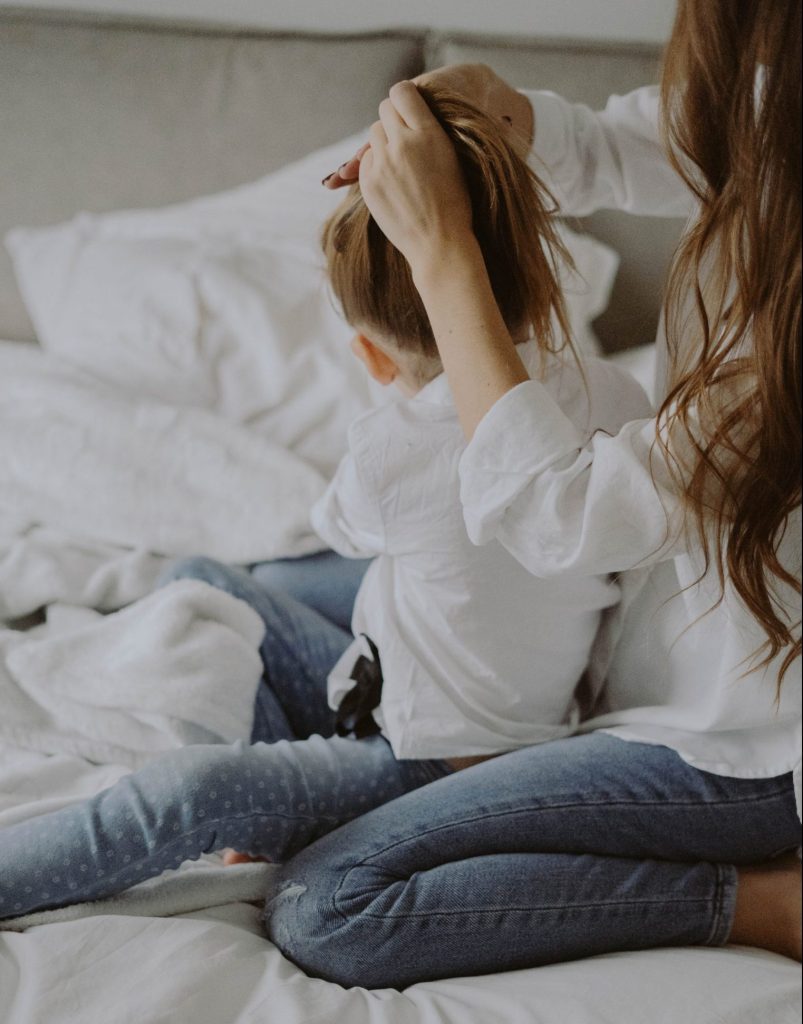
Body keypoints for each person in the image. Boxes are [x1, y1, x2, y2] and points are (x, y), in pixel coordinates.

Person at [0, 87, 649, 920]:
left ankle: (268, 806)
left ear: (372, 359)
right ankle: (285, 792)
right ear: (540, 277)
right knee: (222, 577)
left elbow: (339, 526)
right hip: (507, 713)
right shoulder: (618, 394)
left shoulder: (393, 447)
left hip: (422, 758)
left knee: (186, 795)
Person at [258, 0, 802, 987]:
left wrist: (442, 257)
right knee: (262, 580)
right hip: (647, 642)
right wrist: (515, 118)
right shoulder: (775, 94)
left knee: (325, 901)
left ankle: (763, 898)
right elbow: (675, 136)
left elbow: (557, 516)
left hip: (741, 740)